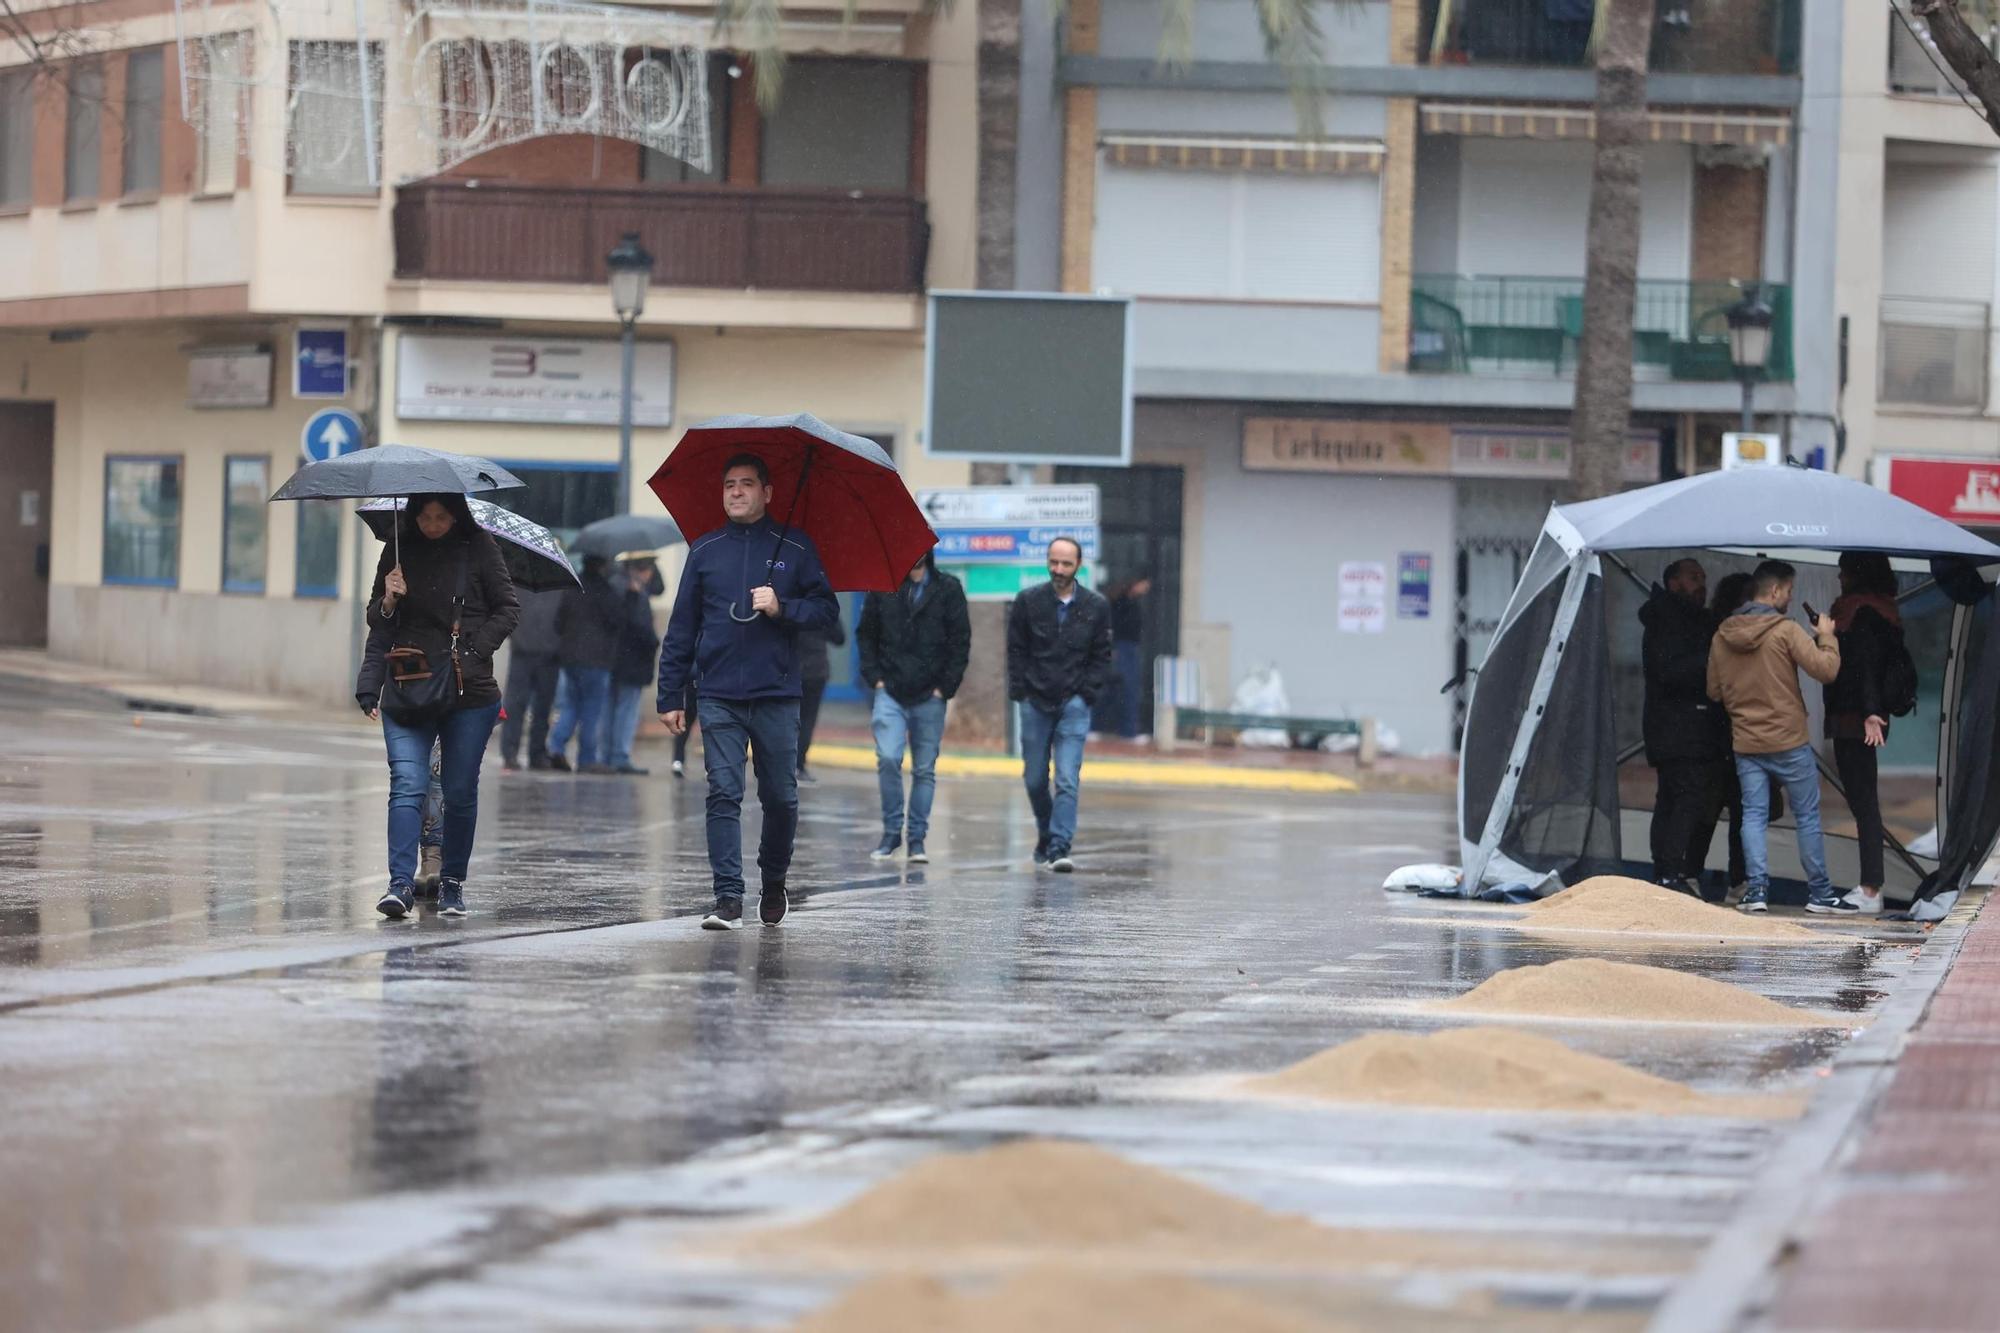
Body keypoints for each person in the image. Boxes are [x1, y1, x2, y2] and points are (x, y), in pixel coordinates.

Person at [658, 454, 840, 930]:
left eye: (746, 484)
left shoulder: (796, 548)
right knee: (723, 791)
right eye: (730, 485)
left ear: (768, 492)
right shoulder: (704, 550)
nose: (736, 492)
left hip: (777, 693)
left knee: (781, 796)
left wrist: (784, 607)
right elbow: (681, 628)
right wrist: (670, 694)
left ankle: (774, 878)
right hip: (717, 692)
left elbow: (826, 612)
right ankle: (728, 898)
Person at [362, 494, 519, 919]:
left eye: (441, 517)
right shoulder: (398, 549)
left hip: (469, 692)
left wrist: (473, 650)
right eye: (425, 517)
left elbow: (508, 609)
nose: (432, 524)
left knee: (459, 791)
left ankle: (452, 882)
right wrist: (390, 599)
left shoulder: (479, 547)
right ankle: (399, 884)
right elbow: (377, 621)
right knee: (407, 784)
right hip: (409, 687)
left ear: (455, 517)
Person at [1707, 559, 1855, 915]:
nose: (1790, 598)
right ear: (1774, 591)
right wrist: (1827, 636)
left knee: (1752, 816)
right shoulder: (1785, 631)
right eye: (1788, 591)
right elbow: (1827, 670)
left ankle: (1755, 890)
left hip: (1746, 742)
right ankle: (1819, 893)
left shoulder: (1722, 633)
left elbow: (1713, 691)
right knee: (1806, 815)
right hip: (1788, 740)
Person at [1007, 536, 1113, 873]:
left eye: (1066, 564)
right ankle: (1045, 829)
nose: (1059, 570)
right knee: (1035, 778)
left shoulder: (1096, 606)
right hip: (1035, 700)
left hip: (1074, 703)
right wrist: (1020, 690)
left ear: (1079, 566)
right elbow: (1016, 649)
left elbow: (1101, 655)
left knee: (1067, 777)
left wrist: (1087, 693)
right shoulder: (1028, 601)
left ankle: (1059, 846)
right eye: (1054, 562)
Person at [857, 550, 971, 863]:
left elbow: (960, 641)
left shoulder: (948, 588)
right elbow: (866, 635)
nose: (914, 552)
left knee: (924, 769)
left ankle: (917, 839)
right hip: (890, 691)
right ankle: (892, 833)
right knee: (889, 758)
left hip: (930, 694)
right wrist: (875, 678)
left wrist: (943, 688)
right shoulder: (884, 587)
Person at [1639, 558, 1727, 896]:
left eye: (1703, 577)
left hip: (1680, 725)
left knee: (1673, 798)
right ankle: (1670, 872)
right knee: (1684, 798)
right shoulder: (1669, 620)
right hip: (1679, 727)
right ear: (1674, 582)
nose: (1701, 584)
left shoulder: (1683, 618)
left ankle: (1665, 870)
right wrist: (1712, 660)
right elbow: (1670, 671)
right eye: (1693, 577)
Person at [1825, 552, 1902, 917]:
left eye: (1843, 570)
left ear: (1856, 574)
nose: (1839, 577)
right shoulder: (1879, 608)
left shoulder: (1861, 612)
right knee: (1862, 801)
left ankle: (1871, 888)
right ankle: (1870, 885)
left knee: (1864, 802)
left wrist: (1871, 712)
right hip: (1858, 715)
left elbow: (1866, 665)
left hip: (1856, 719)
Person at [548, 554, 622, 774]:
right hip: (596, 660)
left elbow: (558, 622)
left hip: (571, 659)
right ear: (602, 566)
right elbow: (617, 621)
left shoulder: (572, 588)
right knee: (591, 710)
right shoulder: (606, 591)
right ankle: (587, 759)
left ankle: (556, 747)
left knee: (571, 704)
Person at [606, 556, 665, 775]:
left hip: (614, 659)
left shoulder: (614, 584)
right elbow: (642, 629)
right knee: (626, 710)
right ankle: (620, 756)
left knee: (611, 708)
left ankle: (608, 755)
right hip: (632, 661)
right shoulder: (635, 593)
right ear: (644, 570)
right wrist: (654, 642)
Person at [498, 587, 563, 772]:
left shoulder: (558, 587)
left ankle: (536, 754)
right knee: (517, 706)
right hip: (525, 652)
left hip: (548, 654)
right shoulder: (519, 585)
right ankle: (511, 753)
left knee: (542, 708)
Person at [795, 616, 848, 784]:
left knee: (789, 719)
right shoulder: (822, 606)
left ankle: (788, 765)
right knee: (806, 720)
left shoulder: (787, 602)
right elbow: (839, 637)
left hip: (793, 671)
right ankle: (798, 765)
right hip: (813, 671)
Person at [1104, 575, 1152, 739]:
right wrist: (1113, 647)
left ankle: (1127, 729)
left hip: (1129, 647)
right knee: (1125, 689)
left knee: (1126, 690)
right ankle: (1126, 730)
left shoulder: (1133, 602)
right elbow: (1113, 625)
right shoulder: (1120, 602)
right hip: (1122, 648)